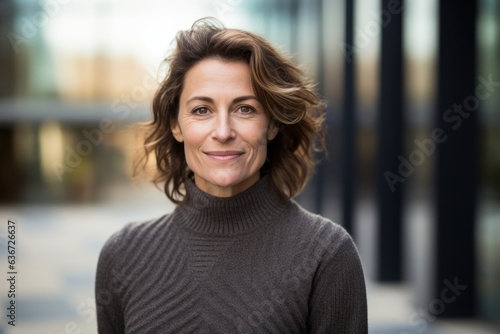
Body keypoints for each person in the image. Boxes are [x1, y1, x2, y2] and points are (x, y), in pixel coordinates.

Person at [95, 18, 367, 333]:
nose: (223, 132)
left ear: (273, 124)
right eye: (201, 110)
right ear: (175, 125)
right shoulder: (123, 254)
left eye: (245, 109)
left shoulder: (327, 255)